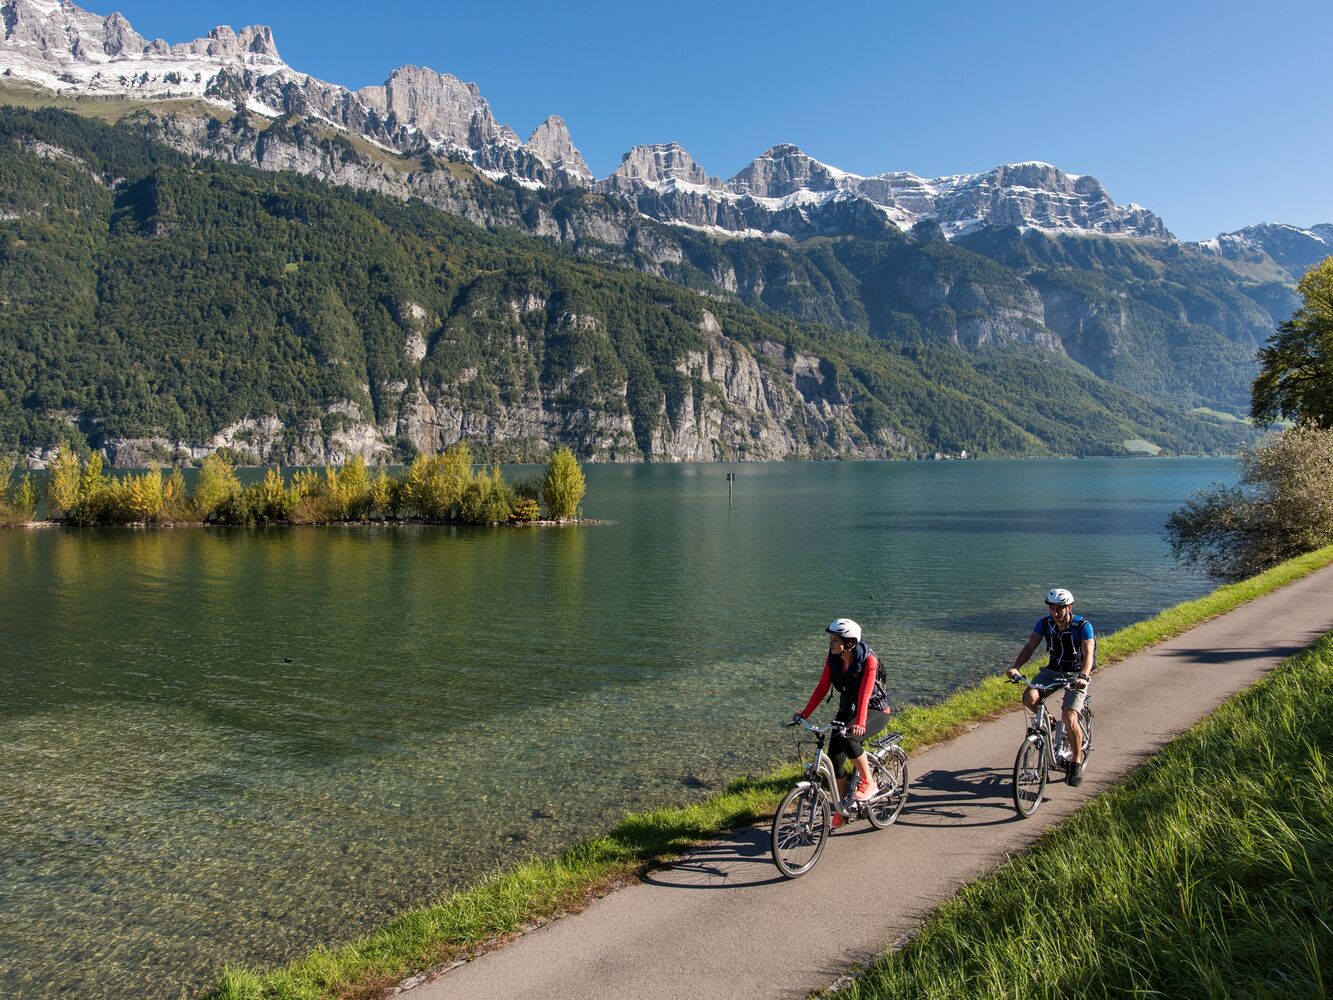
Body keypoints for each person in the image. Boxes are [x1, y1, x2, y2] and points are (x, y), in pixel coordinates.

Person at [793, 618, 891, 827]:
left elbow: (865, 694)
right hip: (847, 710)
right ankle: (843, 808)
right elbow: (822, 687)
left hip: (875, 710)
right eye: (830, 638)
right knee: (835, 759)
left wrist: (861, 723)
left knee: (850, 738)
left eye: (835, 639)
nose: (830, 642)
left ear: (850, 643)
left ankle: (869, 782)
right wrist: (805, 713)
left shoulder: (868, 661)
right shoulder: (834, 659)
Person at [1006, 588, 1095, 786]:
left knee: (1070, 717)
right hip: (1053, 670)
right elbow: (1030, 647)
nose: (1055, 613)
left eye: (1059, 609)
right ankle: (1051, 723)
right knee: (1029, 696)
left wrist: (1083, 676)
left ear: (1069, 607)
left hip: (1075, 674)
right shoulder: (1044, 624)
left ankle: (1076, 762)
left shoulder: (1083, 626)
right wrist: (1015, 667)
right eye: (1052, 608)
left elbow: (1088, 654)